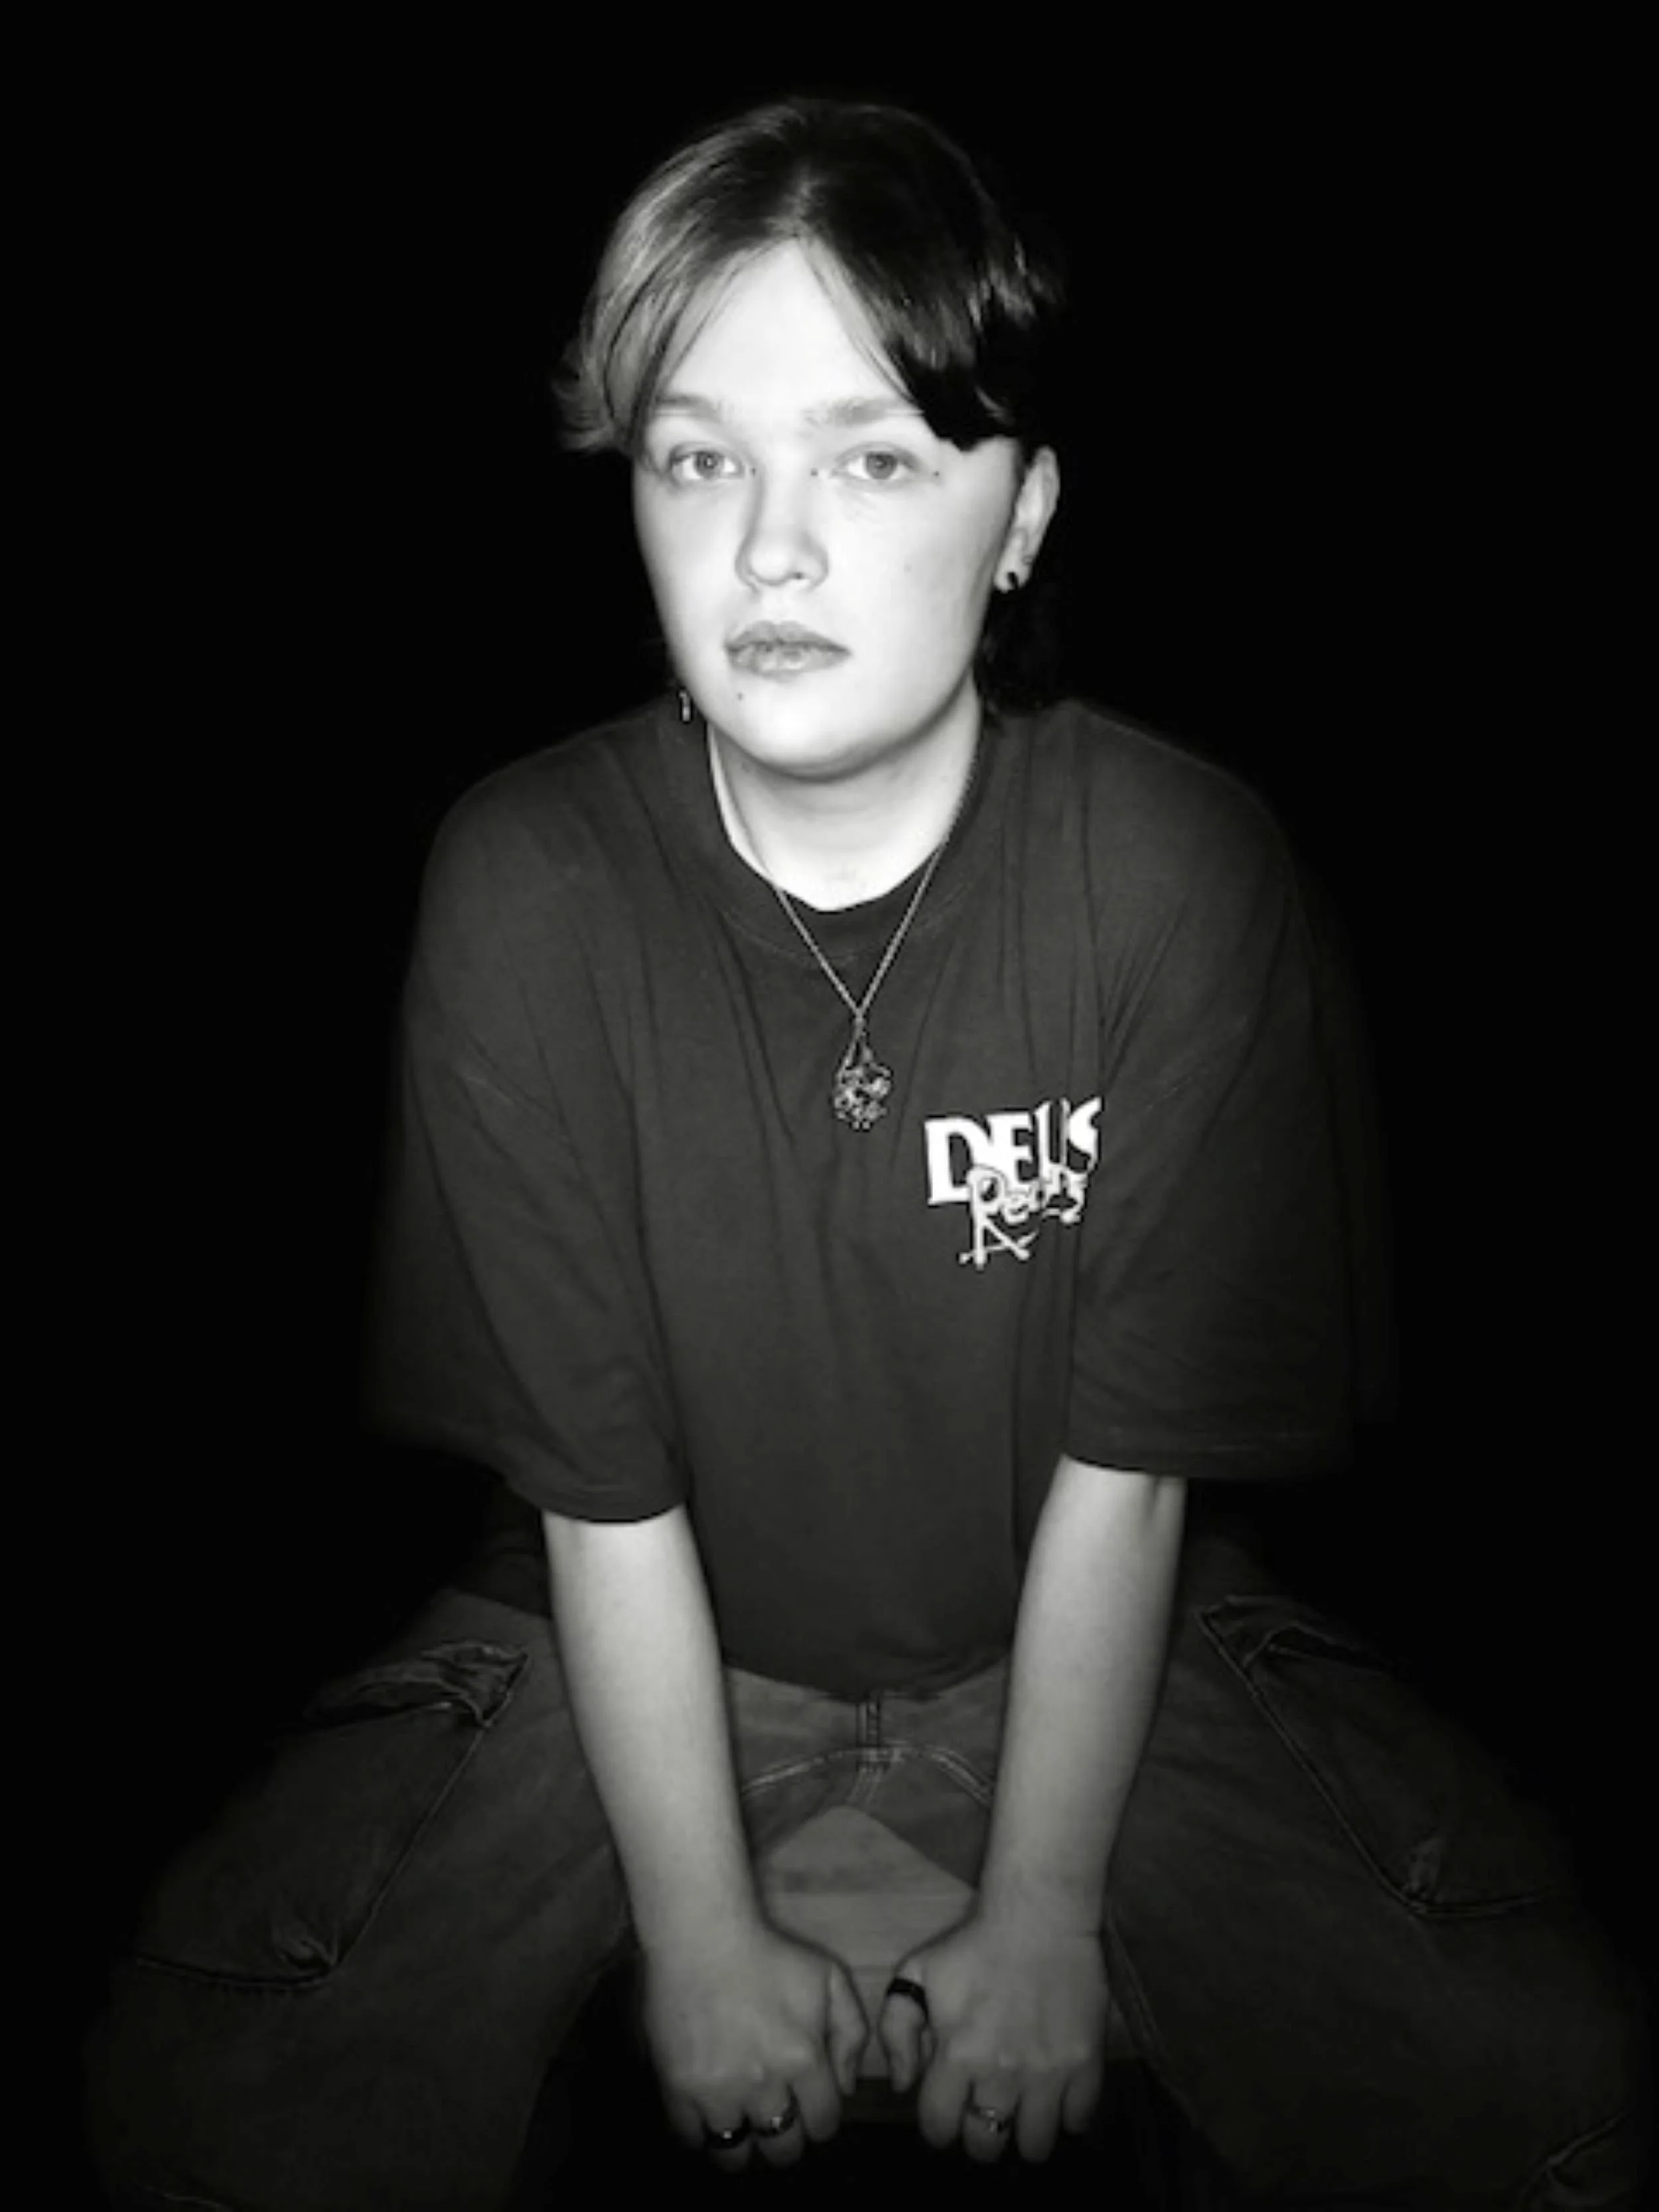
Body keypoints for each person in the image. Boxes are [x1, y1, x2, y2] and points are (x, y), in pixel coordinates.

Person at [86, 95, 1645, 2210]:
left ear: (1020, 516)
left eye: (875, 454)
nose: (772, 549)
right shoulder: (527, 878)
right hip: (614, 1638)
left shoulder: (1173, 869)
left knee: (1535, 2085)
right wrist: (706, 1935)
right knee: (204, 2099)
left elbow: (1129, 1471)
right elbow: (602, 1499)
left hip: (1073, 1635)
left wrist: (1046, 1910)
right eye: (699, 454)